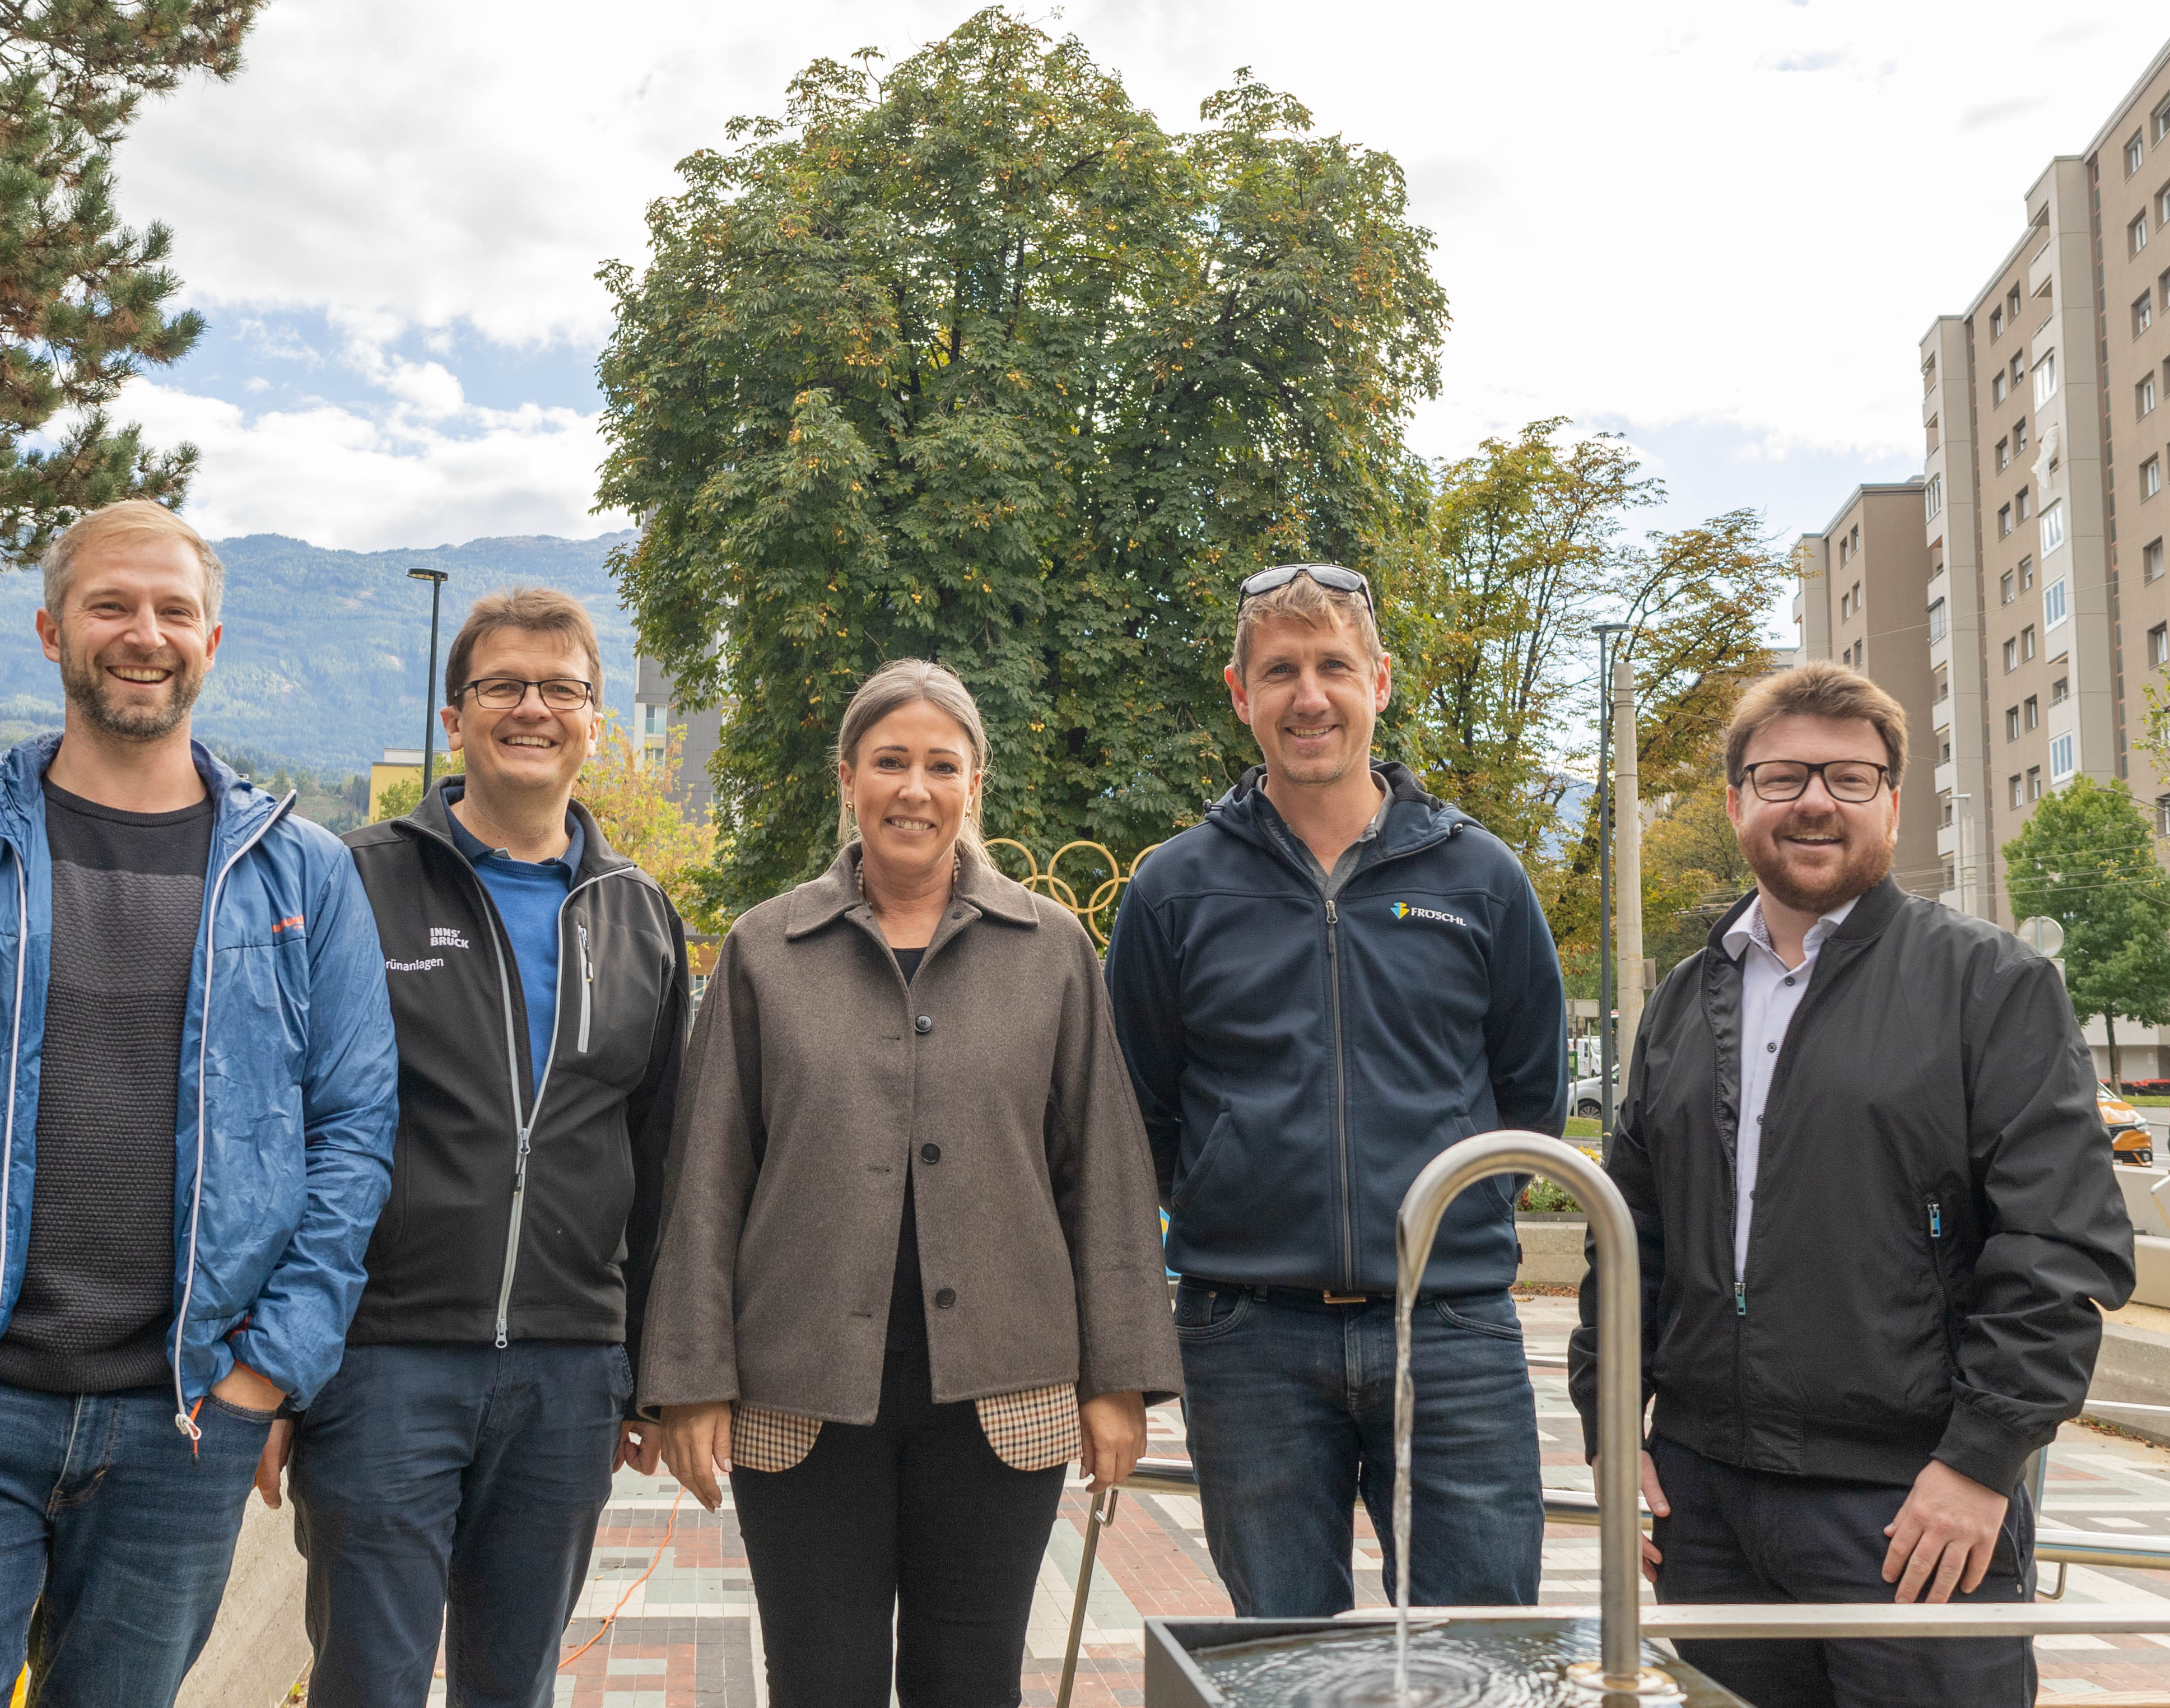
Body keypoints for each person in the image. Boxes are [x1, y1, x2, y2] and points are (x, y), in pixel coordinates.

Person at [0, 500, 401, 1708]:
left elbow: (354, 1132)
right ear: (52, 631)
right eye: (111, 604)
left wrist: (269, 1368)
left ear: (213, 639)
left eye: (171, 610)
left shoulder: (304, 872)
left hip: (182, 1418)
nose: (142, 632)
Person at [1568, 662, 2136, 1708]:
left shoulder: (1993, 986)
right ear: (1738, 799)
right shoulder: (1684, 1002)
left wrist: (1981, 1460)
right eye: (1783, 777)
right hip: (1706, 1502)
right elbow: (1629, 1234)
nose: (1816, 801)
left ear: (1893, 800)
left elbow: (2061, 1245)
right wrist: (1613, 1429)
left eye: (1850, 776)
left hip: (1913, 1507)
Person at [644, 659, 1180, 1708]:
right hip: (798, 1393)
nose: (915, 788)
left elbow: (1106, 1175)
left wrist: (1118, 1378)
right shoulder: (766, 949)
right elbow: (704, 1180)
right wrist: (691, 1378)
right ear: (848, 777)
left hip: (1003, 1391)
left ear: (974, 785)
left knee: (971, 1682)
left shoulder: (1054, 950)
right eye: (890, 761)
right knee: (819, 1680)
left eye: (942, 764)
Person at [1103, 564, 1567, 1617]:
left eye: (1333, 667)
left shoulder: (1480, 878)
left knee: (1479, 1660)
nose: (1309, 695)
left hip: (1449, 1330)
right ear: (1240, 693)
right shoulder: (1174, 890)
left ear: (1381, 682)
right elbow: (1140, 1110)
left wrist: (1446, 1235)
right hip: (1249, 1335)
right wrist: (1235, 1205)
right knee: (1284, 1667)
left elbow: (1530, 1096)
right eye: (1280, 671)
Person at [279, 588, 695, 1708]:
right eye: (504, 684)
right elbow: (285, 1127)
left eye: (562, 688)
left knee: (513, 1686)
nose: (533, 707)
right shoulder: (354, 880)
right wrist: (273, 1364)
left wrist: (651, 1370)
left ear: (596, 720)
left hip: (569, 1370)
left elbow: (662, 1157)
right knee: (370, 1680)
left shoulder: (638, 913)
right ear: (455, 713)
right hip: (381, 1361)